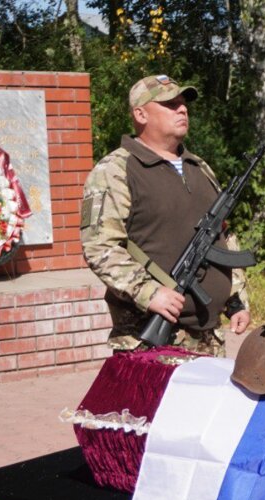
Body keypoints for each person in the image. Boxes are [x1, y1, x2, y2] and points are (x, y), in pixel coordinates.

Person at [80, 75, 250, 356]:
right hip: (149, 341)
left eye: (183, 104)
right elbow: (99, 246)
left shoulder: (200, 167)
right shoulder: (116, 170)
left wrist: (235, 300)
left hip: (208, 338)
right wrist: (149, 292)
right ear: (141, 113)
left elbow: (221, 236)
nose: (182, 110)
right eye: (170, 104)